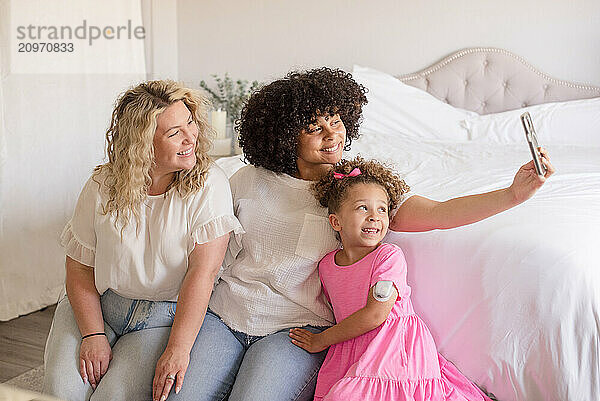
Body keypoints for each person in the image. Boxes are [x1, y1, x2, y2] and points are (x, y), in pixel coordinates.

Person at [187, 67, 554, 401]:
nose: (333, 135)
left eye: (336, 121)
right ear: (286, 136)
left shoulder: (357, 190)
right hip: (225, 316)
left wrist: (513, 194)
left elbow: (440, 214)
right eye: (315, 128)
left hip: (295, 330)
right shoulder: (246, 180)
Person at [42, 80, 243, 401]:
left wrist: (178, 349)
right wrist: (92, 335)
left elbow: (201, 275)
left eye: (190, 122)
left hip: (160, 319)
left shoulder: (209, 186)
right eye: (174, 132)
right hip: (98, 306)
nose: (191, 137)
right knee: (59, 394)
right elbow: (79, 269)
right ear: (142, 142)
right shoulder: (101, 185)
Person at [289, 157, 493, 400]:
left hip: (394, 347)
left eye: (382, 209)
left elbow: (376, 314)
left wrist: (321, 340)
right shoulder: (326, 266)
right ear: (336, 221)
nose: (375, 217)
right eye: (363, 208)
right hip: (352, 345)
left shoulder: (388, 256)